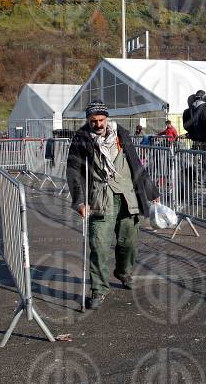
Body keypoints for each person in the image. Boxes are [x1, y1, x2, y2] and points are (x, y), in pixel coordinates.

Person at [66, 102, 161, 310]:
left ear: (107, 118)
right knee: (98, 245)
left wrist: (151, 192)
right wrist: (79, 201)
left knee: (129, 243)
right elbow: (73, 171)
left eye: (101, 120)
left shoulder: (121, 134)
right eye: (93, 121)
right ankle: (98, 290)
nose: (98, 124)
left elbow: (136, 163)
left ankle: (123, 272)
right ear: (88, 120)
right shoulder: (81, 139)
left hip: (128, 197)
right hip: (100, 198)